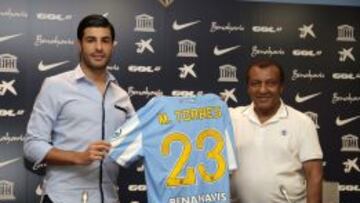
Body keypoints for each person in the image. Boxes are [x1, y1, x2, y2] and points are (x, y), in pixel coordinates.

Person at [24, 14, 134, 203]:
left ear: (112, 45)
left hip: (109, 198)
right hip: (62, 198)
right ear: (79, 44)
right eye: (91, 40)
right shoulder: (55, 85)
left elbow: (136, 145)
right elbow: (32, 145)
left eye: (105, 41)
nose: (99, 47)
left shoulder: (122, 96)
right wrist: (79, 157)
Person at [229, 58, 323, 203]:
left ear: (281, 87)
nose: (263, 90)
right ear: (248, 87)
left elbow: (314, 175)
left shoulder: (302, 122)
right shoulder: (231, 118)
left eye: (271, 83)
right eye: (255, 83)